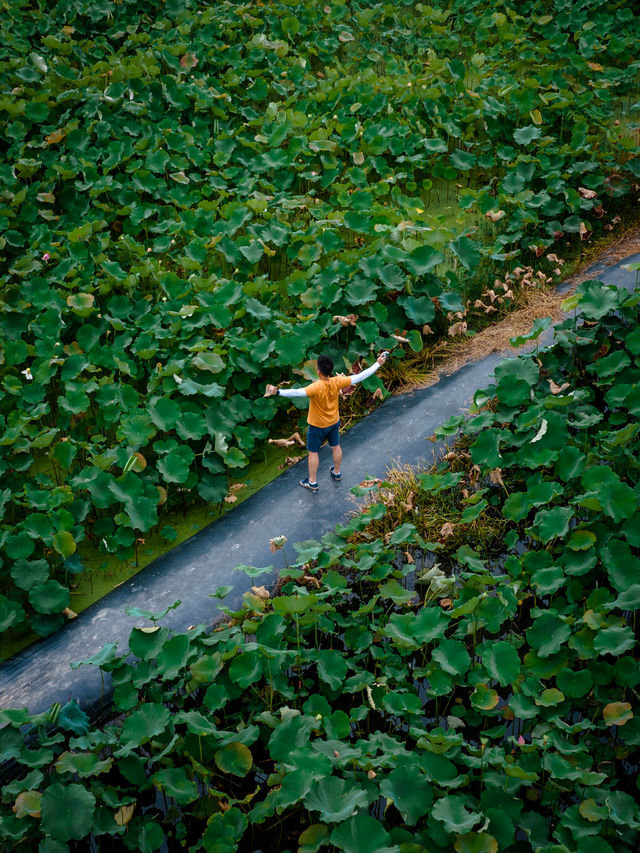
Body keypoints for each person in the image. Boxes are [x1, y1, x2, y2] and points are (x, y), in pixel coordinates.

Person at [264, 351, 389, 491]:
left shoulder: (315, 387)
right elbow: (360, 376)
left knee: (313, 452)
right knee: (335, 446)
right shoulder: (337, 381)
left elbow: (297, 392)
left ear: (318, 371)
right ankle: (336, 472)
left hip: (317, 426)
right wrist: (378, 363)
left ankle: (312, 482)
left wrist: (277, 392)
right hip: (334, 422)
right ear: (330, 370)